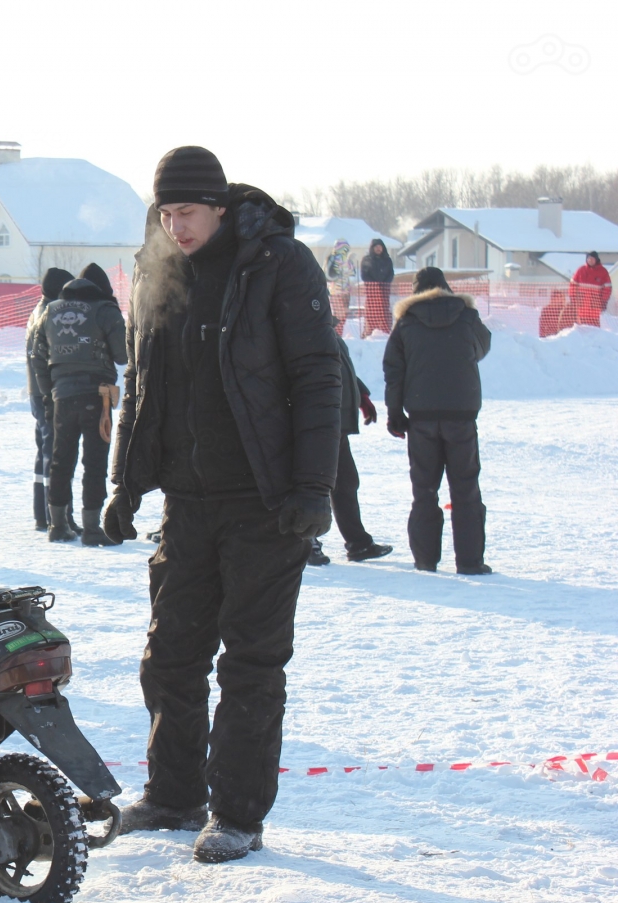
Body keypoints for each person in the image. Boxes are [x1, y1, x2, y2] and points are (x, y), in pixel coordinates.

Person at [102, 146, 341, 863]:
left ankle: (237, 814)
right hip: (188, 500)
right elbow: (142, 382)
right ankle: (174, 795)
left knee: (250, 664)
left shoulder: (276, 263)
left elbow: (316, 376)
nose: (177, 226)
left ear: (220, 207)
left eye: (189, 212)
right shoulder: (157, 269)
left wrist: (312, 489)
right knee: (169, 657)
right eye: (167, 213)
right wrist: (124, 482)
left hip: (264, 503)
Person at [383, 266, 492, 575]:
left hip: (422, 418)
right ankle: (470, 562)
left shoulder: (405, 322)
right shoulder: (467, 317)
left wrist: (394, 414)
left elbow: (394, 371)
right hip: (461, 414)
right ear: (446, 288)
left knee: (424, 490)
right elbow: (482, 347)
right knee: (466, 488)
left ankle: (426, 560)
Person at [33, 265, 127, 545]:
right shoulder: (105, 309)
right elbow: (123, 355)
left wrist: (48, 393)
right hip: (97, 396)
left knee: (62, 460)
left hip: (61, 395)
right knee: (94, 461)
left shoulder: (50, 311)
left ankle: (58, 526)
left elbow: (37, 356)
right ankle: (92, 528)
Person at [311, 337, 392, 565]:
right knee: (313, 483)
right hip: (314, 420)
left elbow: (340, 367)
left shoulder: (327, 328)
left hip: (335, 421)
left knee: (346, 482)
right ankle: (308, 542)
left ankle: (358, 544)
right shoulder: (301, 325)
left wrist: (360, 393)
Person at [25, 268, 73, 531]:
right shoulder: (49, 314)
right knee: (55, 452)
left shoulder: (37, 310)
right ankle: (57, 515)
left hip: (37, 390)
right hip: (47, 391)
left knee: (45, 449)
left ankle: (43, 514)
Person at [360, 239, 394, 337]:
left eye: (380, 246)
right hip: (372, 291)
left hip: (384, 291)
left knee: (384, 310)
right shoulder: (367, 260)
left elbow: (391, 274)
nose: (378, 248)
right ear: (372, 248)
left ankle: (385, 331)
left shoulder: (387, 260)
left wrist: (384, 284)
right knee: (371, 312)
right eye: (376, 246)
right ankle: (370, 331)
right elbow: (364, 275)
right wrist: (374, 285)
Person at [568, 251, 611, 328]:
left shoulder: (603, 272)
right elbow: (573, 285)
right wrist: (573, 297)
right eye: (589, 259)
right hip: (581, 304)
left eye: (592, 259)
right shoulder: (581, 270)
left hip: (595, 304)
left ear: (596, 259)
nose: (590, 260)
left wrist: (604, 301)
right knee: (581, 326)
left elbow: (607, 288)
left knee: (594, 327)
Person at [325, 239, 354, 336]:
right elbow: (328, 275)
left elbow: (352, 273)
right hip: (336, 291)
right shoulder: (332, 258)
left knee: (343, 315)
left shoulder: (347, 260)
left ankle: (339, 334)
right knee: (338, 315)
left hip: (346, 291)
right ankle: (335, 334)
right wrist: (338, 275)